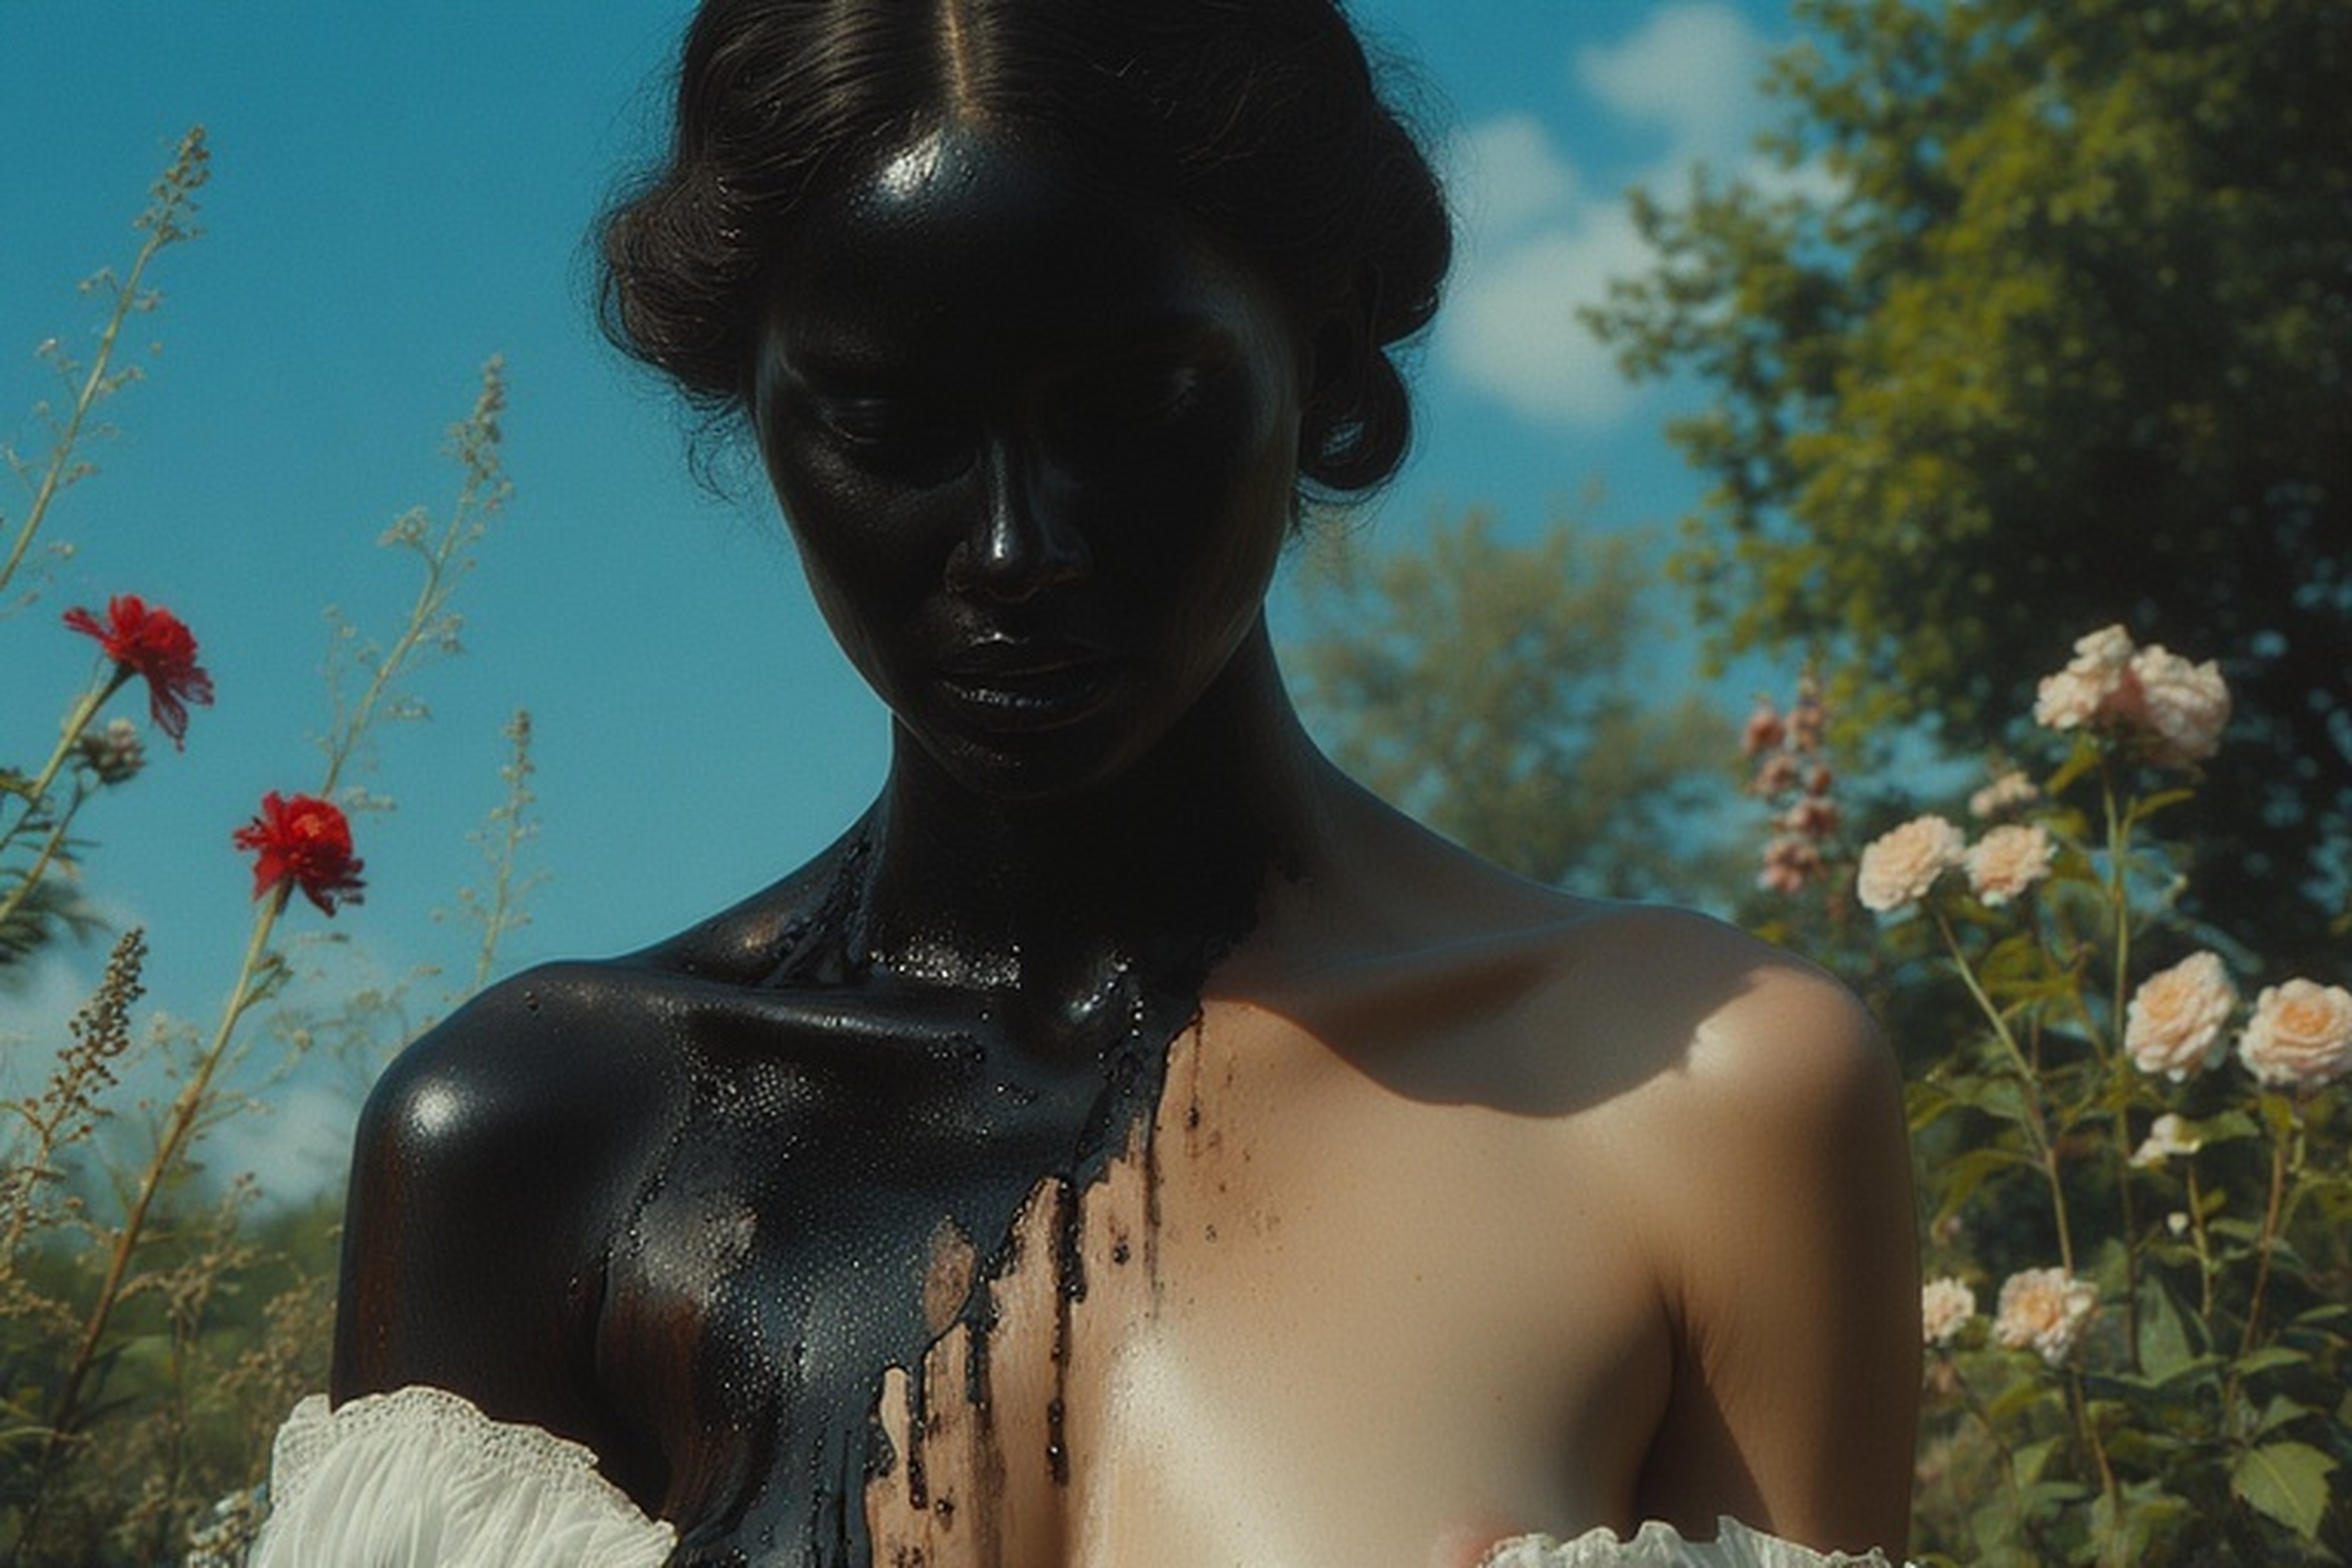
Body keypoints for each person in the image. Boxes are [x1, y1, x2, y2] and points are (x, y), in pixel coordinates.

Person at [278, 2, 1921, 1564]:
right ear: (758, 415)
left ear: (1329, 350)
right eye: (885, 421)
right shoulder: (534, 1139)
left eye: (1130, 405)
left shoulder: (1696, 1102)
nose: (1014, 549)